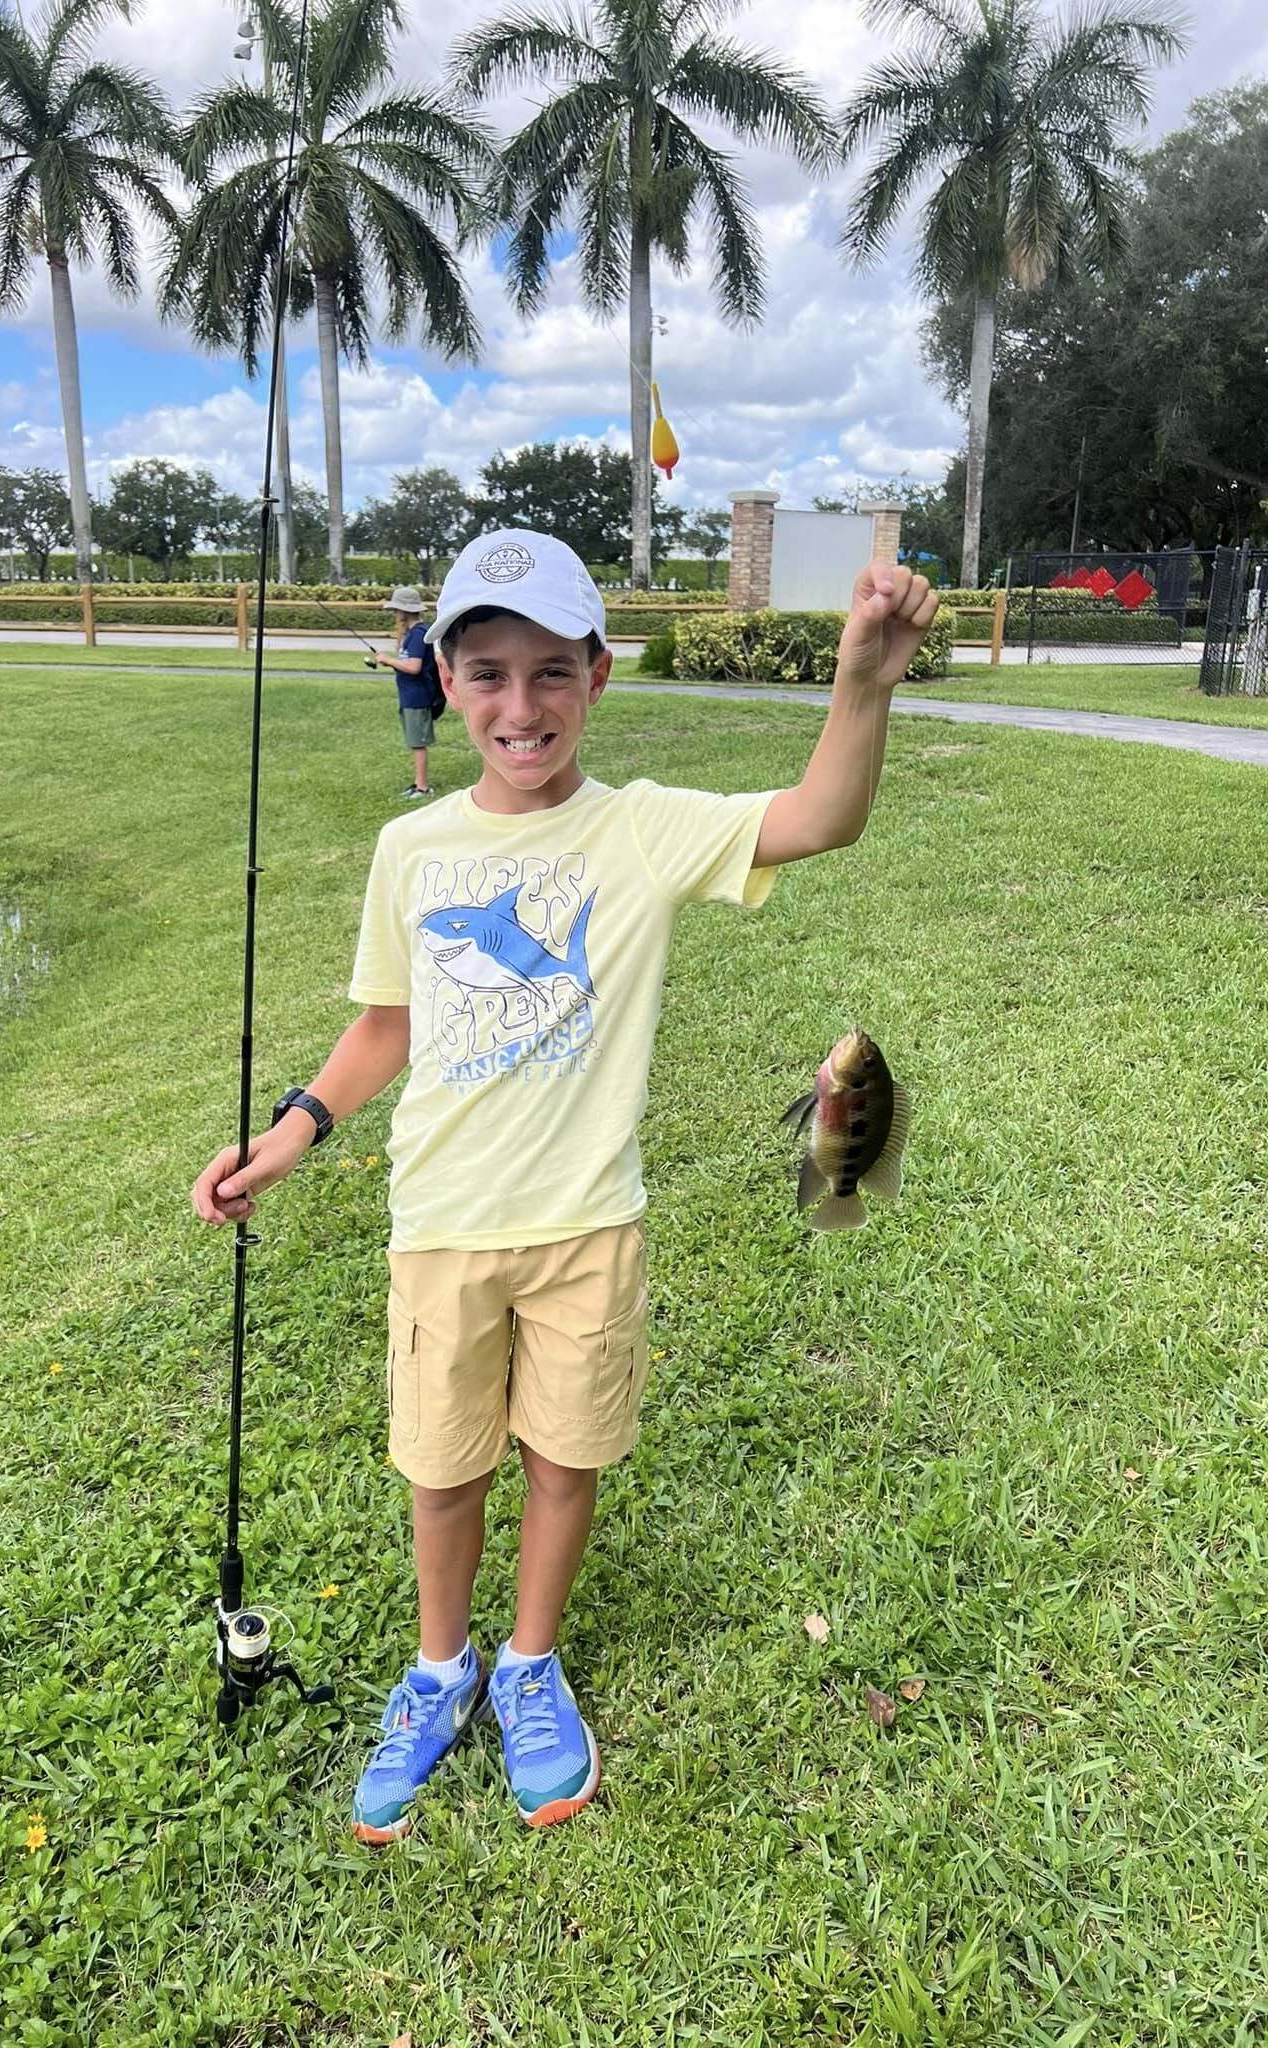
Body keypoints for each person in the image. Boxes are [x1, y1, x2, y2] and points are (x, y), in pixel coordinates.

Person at [192, 528, 938, 1843]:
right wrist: (294, 1129)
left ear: (599, 675)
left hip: (588, 1229)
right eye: (486, 673)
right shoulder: (410, 848)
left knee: (564, 1460)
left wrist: (862, 685)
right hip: (439, 1229)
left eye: (551, 672)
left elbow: (822, 817)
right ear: (443, 676)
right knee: (440, 1471)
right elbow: (386, 1025)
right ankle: (441, 1671)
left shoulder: (640, 831)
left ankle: (529, 1665)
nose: (519, 707)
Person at [369, 585, 438, 801]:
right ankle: (418, 783)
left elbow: (414, 667)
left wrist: (388, 660)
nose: (394, 613)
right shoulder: (410, 634)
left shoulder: (419, 635)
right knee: (413, 740)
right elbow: (407, 662)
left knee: (418, 743)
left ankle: (423, 788)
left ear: (406, 610)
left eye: (396, 609)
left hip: (418, 697)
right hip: (409, 695)